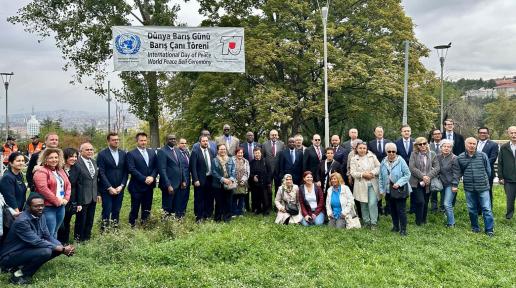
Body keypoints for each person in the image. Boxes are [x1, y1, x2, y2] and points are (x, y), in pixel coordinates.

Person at [0, 195, 75, 285]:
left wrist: (62, 247)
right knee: (46, 251)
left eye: (42, 205)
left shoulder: (41, 216)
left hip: (25, 250)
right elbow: (36, 241)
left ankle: (24, 266)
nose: (40, 208)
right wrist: (62, 249)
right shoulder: (22, 221)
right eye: (36, 206)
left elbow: (47, 236)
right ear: (28, 207)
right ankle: (19, 275)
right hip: (10, 256)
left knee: (56, 247)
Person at [452, 137, 494, 236]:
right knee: (471, 209)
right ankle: (475, 227)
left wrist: (483, 181)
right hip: (469, 188)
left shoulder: (483, 155)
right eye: (469, 143)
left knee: (487, 209)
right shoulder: (460, 158)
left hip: (483, 187)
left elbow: (488, 171)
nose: (471, 145)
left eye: (474, 144)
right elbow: (457, 173)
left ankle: (489, 229)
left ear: (476, 145)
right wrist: (455, 184)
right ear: (465, 145)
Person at [33, 148, 71, 238]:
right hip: (48, 207)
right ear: (45, 159)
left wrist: (66, 199)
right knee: (49, 233)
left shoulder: (60, 170)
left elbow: (68, 185)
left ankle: (54, 251)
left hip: (61, 206)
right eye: (51, 158)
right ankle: (48, 251)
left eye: (56, 157)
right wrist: (57, 201)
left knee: (55, 231)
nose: (54, 160)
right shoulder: (41, 171)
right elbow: (43, 189)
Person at [96, 132, 128, 230]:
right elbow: (101, 172)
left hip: (119, 188)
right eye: (114, 140)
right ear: (108, 141)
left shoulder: (123, 154)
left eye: (117, 139)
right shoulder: (102, 154)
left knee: (116, 210)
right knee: (107, 210)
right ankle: (104, 231)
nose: (116, 141)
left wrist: (122, 185)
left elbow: (126, 171)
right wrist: (109, 187)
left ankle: (115, 230)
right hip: (106, 189)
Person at [378, 143, 411, 236]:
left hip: (399, 190)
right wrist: (381, 190)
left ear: (396, 152)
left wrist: (398, 183)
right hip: (388, 190)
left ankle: (403, 229)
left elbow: (407, 174)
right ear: (386, 152)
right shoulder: (383, 162)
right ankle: (396, 227)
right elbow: (380, 177)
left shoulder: (401, 160)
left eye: (394, 151)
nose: (391, 153)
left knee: (401, 210)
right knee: (392, 210)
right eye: (389, 151)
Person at [127, 132, 158, 227]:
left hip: (149, 185)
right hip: (137, 186)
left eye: (145, 140)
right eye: (141, 141)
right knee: (135, 207)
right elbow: (131, 169)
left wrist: (152, 177)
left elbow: (156, 167)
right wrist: (144, 179)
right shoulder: (131, 154)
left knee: (147, 207)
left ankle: (145, 224)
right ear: (137, 141)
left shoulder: (152, 152)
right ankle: (132, 225)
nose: (143, 142)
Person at [409, 137, 440, 226]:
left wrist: (428, 177)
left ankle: (424, 220)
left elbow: (437, 167)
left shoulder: (432, 154)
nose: (423, 145)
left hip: (428, 182)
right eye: (420, 144)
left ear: (427, 144)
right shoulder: (413, 154)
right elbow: (412, 168)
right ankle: (418, 221)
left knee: (426, 201)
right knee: (420, 201)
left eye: (424, 143)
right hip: (416, 182)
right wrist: (423, 176)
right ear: (417, 146)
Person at [350, 141, 381, 229]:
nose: (362, 150)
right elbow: (352, 172)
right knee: (363, 203)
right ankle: (366, 221)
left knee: (372, 203)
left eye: (364, 148)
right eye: (360, 148)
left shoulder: (372, 156)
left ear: (366, 149)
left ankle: (373, 223)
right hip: (361, 184)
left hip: (372, 183)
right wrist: (363, 174)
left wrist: (371, 173)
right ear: (356, 149)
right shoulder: (354, 159)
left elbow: (379, 167)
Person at [73, 142, 99, 241]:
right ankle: (78, 239)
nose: (90, 152)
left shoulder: (93, 161)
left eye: (91, 150)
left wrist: (98, 193)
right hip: (82, 197)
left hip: (93, 196)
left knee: (90, 219)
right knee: (81, 220)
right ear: (81, 151)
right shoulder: (77, 163)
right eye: (87, 150)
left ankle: (87, 238)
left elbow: (95, 179)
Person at [190, 135, 216, 222]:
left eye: (206, 141)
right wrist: (195, 179)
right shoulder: (195, 152)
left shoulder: (211, 151)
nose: (205, 142)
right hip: (200, 180)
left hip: (210, 178)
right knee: (199, 198)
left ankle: (207, 215)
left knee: (209, 198)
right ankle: (199, 217)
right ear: (200, 142)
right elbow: (192, 167)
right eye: (203, 141)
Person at [157, 134, 184, 218]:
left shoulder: (177, 150)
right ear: (166, 140)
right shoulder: (162, 151)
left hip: (179, 184)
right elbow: (162, 170)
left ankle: (174, 224)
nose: (173, 140)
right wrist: (168, 185)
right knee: (167, 207)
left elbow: (180, 166)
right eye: (170, 139)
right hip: (169, 185)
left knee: (176, 206)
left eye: (174, 139)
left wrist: (183, 180)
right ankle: (165, 224)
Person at [57, 148, 80, 244]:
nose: (74, 158)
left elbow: (78, 186)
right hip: (58, 199)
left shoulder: (77, 169)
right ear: (65, 157)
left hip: (70, 200)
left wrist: (78, 202)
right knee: (59, 223)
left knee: (67, 222)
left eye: (75, 156)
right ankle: (56, 243)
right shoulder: (58, 168)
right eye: (71, 156)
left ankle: (65, 243)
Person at [368, 126, 391, 215]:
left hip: (388, 168)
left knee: (388, 187)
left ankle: (388, 208)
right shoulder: (371, 143)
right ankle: (379, 207)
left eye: (381, 131)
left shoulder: (388, 142)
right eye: (378, 131)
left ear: (383, 132)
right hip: (375, 169)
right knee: (377, 188)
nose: (380, 133)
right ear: (375, 133)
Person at [211, 144, 236, 222]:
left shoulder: (230, 159)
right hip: (218, 184)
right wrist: (223, 179)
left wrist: (231, 179)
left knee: (228, 201)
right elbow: (213, 172)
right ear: (218, 150)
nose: (223, 151)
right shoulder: (214, 160)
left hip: (229, 183)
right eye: (221, 149)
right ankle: (218, 218)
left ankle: (227, 218)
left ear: (226, 150)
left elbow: (233, 170)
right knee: (219, 202)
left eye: (224, 149)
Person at [476, 127, 499, 208]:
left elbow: (493, 158)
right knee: (476, 192)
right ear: (478, 134)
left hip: (487, 172)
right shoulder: (474, 143)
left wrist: (479, 165)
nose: (482, 134)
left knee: (487, 192)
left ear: (488, 134)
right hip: (474, 173)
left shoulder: (493, 144)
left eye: (484, 133)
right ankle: (478, 210)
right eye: (481, 132)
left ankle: (488, 209)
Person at [395, 125, 415, 213]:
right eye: (405, 131)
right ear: (401, 132)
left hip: (413, 169)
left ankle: (413, 208)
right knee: (402, 187)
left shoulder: (415, 142)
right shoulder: (396, 143)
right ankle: (401, 207)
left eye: (408, 131)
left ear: (410, 132)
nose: (407, 132)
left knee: (413, 188)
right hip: (401, 169)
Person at [437, 140, 457, 227]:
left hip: (450, 184)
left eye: (448, 147)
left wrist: (455, 185)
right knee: (443, 203)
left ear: (451, 148)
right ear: (441, 147)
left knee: (447, 203)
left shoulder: (454, 158)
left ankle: (451, 223)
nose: (446, 148)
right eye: (444, 146)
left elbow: (457, 173)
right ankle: (447, 216)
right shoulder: (438, 157)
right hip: (441, 183)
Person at [498, 126, 516, 220]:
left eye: (515, 133)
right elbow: (500, 162)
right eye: (511, 133)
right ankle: (509, 217)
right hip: (509, 179)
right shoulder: (504, 147)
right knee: (510, 199)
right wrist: (500, 177)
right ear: (508, 134)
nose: (514, 135)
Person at [240, 131, 261, 211]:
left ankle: (254, 206)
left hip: (255, 168)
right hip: (245, 169)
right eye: (248, 135)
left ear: (253, 136)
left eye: (251, 135)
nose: (250, 137)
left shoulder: (258, 145)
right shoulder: (242, 145)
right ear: (246, 136)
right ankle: (246, 207)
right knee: (246, 189)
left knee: (254, 189)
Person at [262, 129, 284, 200]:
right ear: (270, 136)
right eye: (272, 135)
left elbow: (283, 157)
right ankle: (269, 205)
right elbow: (263, 156)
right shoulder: (265, 144)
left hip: (278, 170)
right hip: (268, 170)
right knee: (268, 188)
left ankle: (277, 205)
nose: (274, 136)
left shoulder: (282, 144)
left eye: (275, 135)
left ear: (277, 136)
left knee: (278, 188)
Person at [249, 147, 271, 215]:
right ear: (253, 154)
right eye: (255, 153)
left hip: (264, 182)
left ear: (261, 153)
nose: (257, 154)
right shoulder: (251, 162)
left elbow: (269, 172)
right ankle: (258, 209)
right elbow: (249, 172)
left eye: (258, 153)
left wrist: (268, 181)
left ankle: (266, 210)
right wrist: (253, 177)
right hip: (255, 183)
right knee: (256, 197)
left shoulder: (265, 161)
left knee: (265, 197)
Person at [232, 147, 249, 217]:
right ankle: (234, 212)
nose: (240, 154)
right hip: (234, 182)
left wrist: (243, 180)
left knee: (241, 197)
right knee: (234, 197)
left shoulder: (246, 161)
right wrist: (234, 180)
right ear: (236, 153)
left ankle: (240, 212)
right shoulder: (232, 160)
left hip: (242, 182)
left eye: (241, 153)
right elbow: (230, 171)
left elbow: (247, 172)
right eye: (238, 153)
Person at [176, 138, 191, 219]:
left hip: (188, 179)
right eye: (182, 143)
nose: (184, 145)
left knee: (186, 197)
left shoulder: (186, 153)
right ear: (178, 144)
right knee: (180, 198)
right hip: (181, 180)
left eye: (185, 143)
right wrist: (183, 180)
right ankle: (178, 215)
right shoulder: (176, 153)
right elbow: (180, 169)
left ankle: (183, 214)